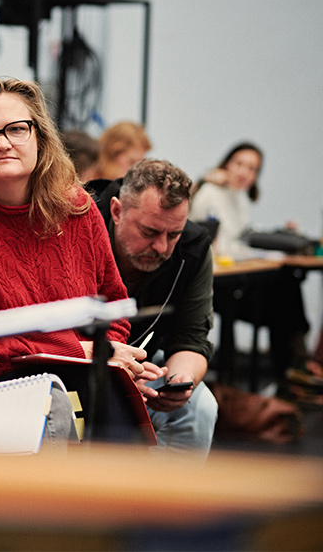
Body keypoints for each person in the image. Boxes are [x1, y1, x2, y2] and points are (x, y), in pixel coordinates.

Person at [0, 77, 163, 445]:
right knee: (67, 408)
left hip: (82, 372)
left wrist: (108, 355)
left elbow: (113, 306)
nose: (2, 143)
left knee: (169, 407)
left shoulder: (79, 209)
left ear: (39, 136)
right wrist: (82, 350)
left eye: (16, 129)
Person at [86, 159, 218, 460]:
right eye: (149, 232)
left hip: (144, 364)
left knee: (200, 407)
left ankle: (170, 504)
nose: (161, 247)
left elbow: (192, 338)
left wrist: (180, 381)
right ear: (117, 211)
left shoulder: (193, 249)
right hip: (77, 355)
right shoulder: (79, 221)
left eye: (173, 235)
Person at [190, 142, 314, 391]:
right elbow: (221, 247)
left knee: (288, 285)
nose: (244, 172)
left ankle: (293, 368)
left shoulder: (239, 197)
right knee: (284, 298)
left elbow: (241, 238)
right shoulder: (210, 193)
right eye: (239, 164)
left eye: (252, 168)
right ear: (226, 164)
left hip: (237, 277)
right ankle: (291, 370)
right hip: (213, 282)